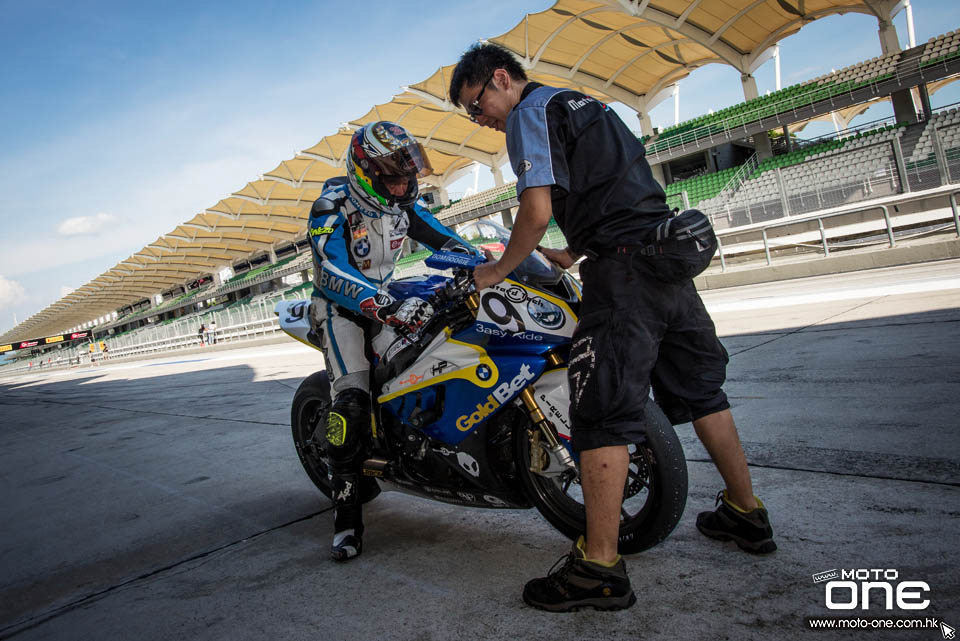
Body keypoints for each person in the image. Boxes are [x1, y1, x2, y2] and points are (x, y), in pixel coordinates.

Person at [449, 44, 776, 613]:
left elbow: (535, 208)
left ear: (500, 78)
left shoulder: (530, 113)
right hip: (666, 262)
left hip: (624, 277)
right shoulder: (587, 105)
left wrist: (495, 270)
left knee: (599, 416)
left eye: (477, 106)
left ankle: (598, 567)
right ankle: (746, 514)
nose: (481, 120)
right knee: (704, 393)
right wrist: (574, 251)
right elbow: (617, 188)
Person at [308, 120, 480, 562]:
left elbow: (446, 241)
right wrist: (379, 305)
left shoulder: (403, 203)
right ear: (365, 171)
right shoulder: (333, 204)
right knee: (350, 402)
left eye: (408, 170)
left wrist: (484, 264)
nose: (405, 182)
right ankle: (346, 519)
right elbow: (331, 269)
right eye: (394, 173)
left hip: (389, 298)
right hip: (341, 308)